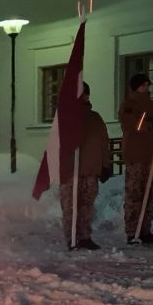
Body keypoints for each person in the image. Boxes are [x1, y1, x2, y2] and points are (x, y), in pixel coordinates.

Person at [60, 82, 113, 250]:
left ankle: (85, 236)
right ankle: (72, 237)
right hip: (71, 170)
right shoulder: (66, 116)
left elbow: (103, 142)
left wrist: (106, 165)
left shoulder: (95, 118)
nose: (84, 97)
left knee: (87, 205)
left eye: (86, 93)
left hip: (91, 169)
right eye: (81, 93)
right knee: (71, 205)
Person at [118, 74, 153, 245]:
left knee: (148, 193)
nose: (146, 87)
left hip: (151, 155)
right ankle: (133, 230)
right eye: (142, 85)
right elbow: (131, 124)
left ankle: (145, 229)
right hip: (136, 154)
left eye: (147, 84)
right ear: (135, 87)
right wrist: (151, 126)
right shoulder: (129, 105)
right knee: (134, 194)